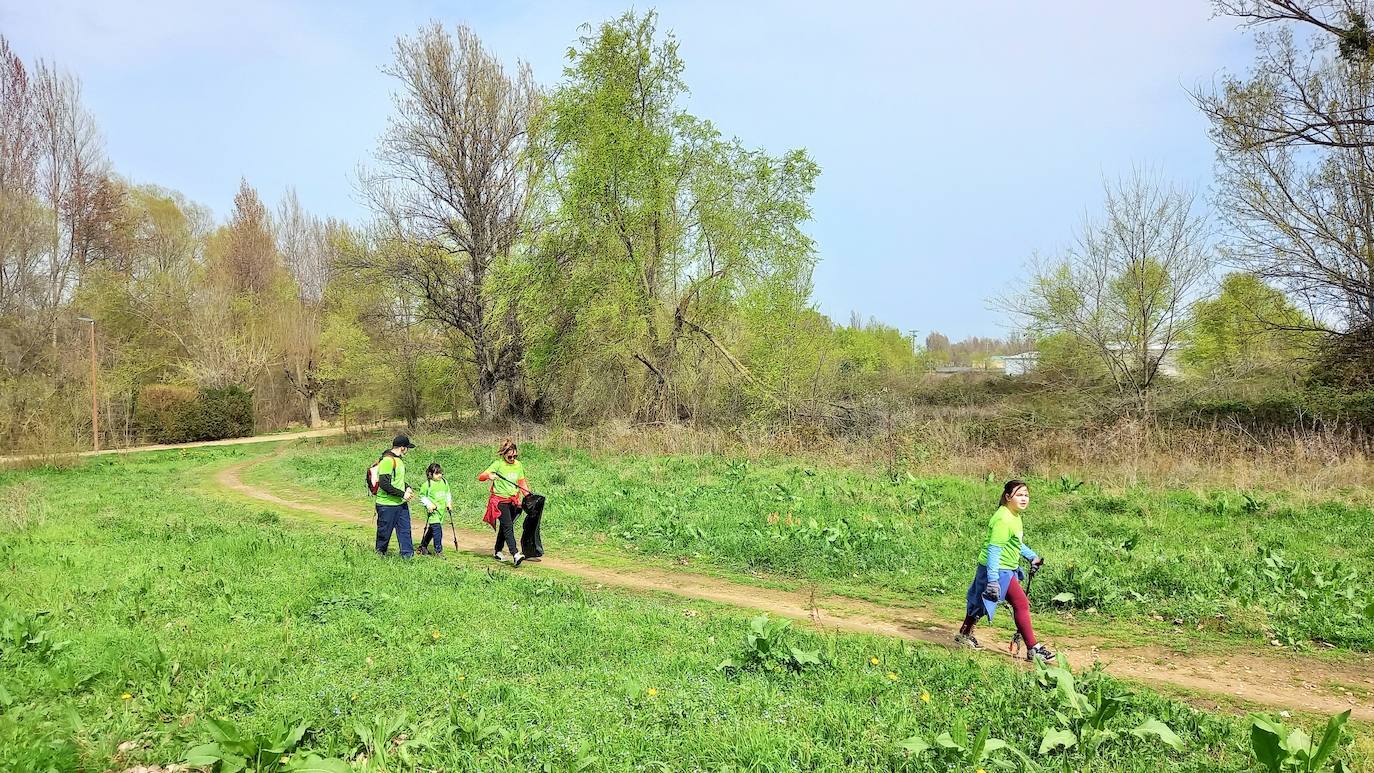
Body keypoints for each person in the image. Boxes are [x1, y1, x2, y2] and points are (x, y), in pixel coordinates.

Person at [954, 479, 1055, 661]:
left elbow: (1016, 543)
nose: (1024, 499)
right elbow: (994, 550)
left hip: (1004, 568)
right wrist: (993, 580)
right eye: (1019, 495)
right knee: (1021, 604)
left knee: (979, 603)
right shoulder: (1003, 519)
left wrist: (1032, 556)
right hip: (996, 569)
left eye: (1026, 495)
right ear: (1008, 497)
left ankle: (964, 634)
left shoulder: (1014, 516)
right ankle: (1033, 649)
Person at [478, 438, 526, 567]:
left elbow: (521, 482)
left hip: (513, 501)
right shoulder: (497, 464)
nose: (513, 458)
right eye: (510, 456)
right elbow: (481, 476)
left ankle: (498, 550)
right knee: (508, 526)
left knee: (505, 527)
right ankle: (515, 554)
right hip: (499, 501)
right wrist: (489, 476)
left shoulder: (518, 465)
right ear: (504, 454)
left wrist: (527, 496)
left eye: (515, 455)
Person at [373, 435, 417, 558]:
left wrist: (406, 486)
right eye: (407, 448)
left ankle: (408, 557)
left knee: (405, 531)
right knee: (384, 533)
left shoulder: (399, 460)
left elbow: (397, 480)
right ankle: (379, 555)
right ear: (402, 448)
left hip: (400, 504)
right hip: (387, 505)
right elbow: (384, 483)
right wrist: (403, 494)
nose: (408, 450)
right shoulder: (387, 460)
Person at [417, 462, 452, 557]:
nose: (439, 475)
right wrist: (429, 504)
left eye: (440, 473)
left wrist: (448, 503)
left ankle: (423, 546)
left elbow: (447, 493)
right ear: (430, 474)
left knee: (432, 530)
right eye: (437, 473)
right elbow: (422, 496)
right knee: (437, 530)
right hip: (433, 512)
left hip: (441, 511)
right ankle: (438, 551)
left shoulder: (444, 482)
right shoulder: (427, 485)